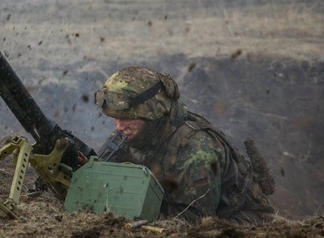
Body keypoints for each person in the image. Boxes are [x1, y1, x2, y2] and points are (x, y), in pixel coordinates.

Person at [95, 65, 277, 224]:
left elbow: (194, 223)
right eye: (115, 118)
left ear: (152, 114)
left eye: (126, 118)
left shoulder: (197, 152)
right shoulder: (132, 134)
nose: (118, 126)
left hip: (240, 222)